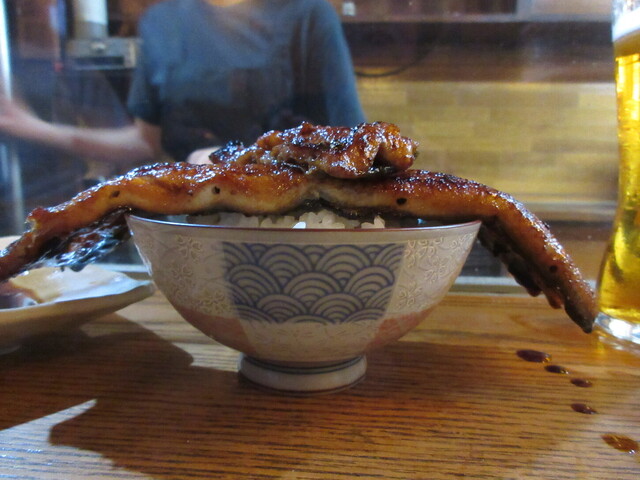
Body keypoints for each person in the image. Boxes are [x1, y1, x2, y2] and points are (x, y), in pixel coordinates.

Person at [0, 0, 365, 169]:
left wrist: (239, 159)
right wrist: (32, 127)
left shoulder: (308, 13)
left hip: (288, 220)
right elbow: (144, 141)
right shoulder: (162, 20)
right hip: (189, 217)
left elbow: (352, 144)